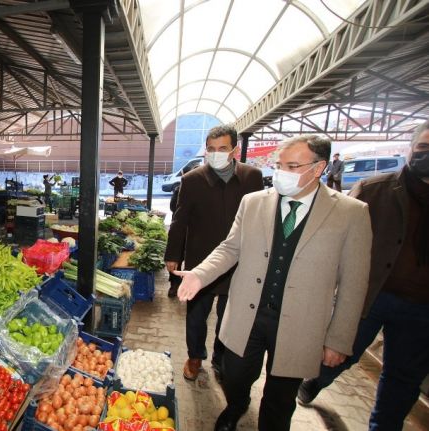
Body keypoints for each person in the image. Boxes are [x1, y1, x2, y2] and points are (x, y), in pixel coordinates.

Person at [175, 135, 372, 431]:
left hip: (300, 323)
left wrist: (338, 339)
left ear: (318, 168)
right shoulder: (254, 203)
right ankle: (237, 405)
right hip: (248, 314)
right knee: (235, 375)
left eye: (292, 166)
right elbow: (230, 248)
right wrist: (200, 274)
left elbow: (354, 284)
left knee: (280, 396)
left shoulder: (350, 213)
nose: (281, 173)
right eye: (279, 165)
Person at [296, 121, 429, 430]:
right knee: (341, 353)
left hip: (422, 308)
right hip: (370, 296)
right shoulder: (375, 190)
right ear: (410, 149)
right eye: (424, 148)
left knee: (403, 379)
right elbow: (336, 240)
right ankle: (315, 380)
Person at [165, 125, 264, 381]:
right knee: (197, 313)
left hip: (239, 261)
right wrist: (173, 255)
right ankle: (195, 356)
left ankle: (221, 357)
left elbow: (261, 219)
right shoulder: (192, 179)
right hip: (201, 260)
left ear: (235, 150)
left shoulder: (253, 177)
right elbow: (180, 220)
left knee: (228, 315)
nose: (216, 154)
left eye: (222, 149)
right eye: (211, 149)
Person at [166, 163, 195, 299]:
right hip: (180, 230)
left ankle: (187, 285)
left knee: (192, 260)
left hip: (195, 233)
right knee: (176, 258)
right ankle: (174, 285)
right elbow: (173, 207)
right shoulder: (179, 189)